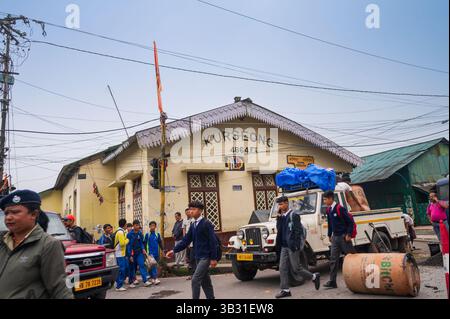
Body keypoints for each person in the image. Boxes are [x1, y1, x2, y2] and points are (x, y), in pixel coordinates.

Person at [0, 190, 73, 299]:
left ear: (34, 214)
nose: (8, 217)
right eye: (6, 213)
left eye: (15, 212)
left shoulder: (48, 244)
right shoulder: (3, 242)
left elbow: (59, 288)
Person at [166, 201, 218, 299]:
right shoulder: (193, 225)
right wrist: (174, 250)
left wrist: (213, 258)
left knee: (195, 279)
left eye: (193, 209)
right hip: (197, 257)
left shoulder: (206, 224)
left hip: (205, 257)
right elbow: (186, 240)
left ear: (200, 211)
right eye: (190, 209)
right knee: (205, 281)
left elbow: (213, 242)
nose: (191, 211)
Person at [274, 196, 320, 298]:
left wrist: (295, 246)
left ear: (286, 203)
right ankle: (285, 290)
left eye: (281, 204)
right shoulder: (282, 217)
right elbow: (279, 229)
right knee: (282, 268)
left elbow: (298, 232)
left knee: (296, 268)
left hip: (292, 246)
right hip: (284, 246)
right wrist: (278, 215)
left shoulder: (294, 216)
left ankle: (314, 277)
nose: (280, 206)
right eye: (279, 205)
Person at [323, 191, 356, 289]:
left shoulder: (340, 208)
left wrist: (349, 234)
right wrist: (329, 234)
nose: (324, 201)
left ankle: (358, 278)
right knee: (333, 260)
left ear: (330, 198)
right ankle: (332, 281)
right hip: (335, 238)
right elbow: (330, 223)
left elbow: (350, 222)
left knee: (352, 258)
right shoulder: (329, 210)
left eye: (325, 199)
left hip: (343, 237)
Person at [127, 220, 152, 287]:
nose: (137, 226)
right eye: (136, 225)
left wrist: (143, 249)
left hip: (139, 253)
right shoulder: (129, 234)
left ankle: (145, 281)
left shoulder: (140, 233)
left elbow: (141, 242)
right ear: (133, 225)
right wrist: (130, 255)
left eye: (138, 225)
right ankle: (131, 282)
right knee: (132, 268)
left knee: (142, 265)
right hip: (132, 253)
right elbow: (128, 245)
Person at [144, 221, 163, 285]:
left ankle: (152, 278)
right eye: (151, 226)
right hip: (150, 253)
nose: (152, 227)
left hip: (156, 253)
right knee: (153, 265)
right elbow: (144, 243)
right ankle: (155, 278)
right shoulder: (147, 235)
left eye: (153, 226)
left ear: (155, 227)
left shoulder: (157, 234)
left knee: (152, 266)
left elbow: (160, 243)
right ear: (149, 227)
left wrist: (162, 250)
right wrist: (145, 253)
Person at [114, 218, 129, 292]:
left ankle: (118, 283)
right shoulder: (120, 232)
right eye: (126, 224)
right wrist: (127, 240)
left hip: (119, 254)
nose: (127, 226)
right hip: (119, 254)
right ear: (124, 225)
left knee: (122, 269)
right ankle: (119, 286)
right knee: (122, 270)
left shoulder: (120, 231)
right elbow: (122, 244)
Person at [183, 207, 196, 280]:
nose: (188, 213)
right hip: (188, 242)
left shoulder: (194, 220)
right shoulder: (185, 220)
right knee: (189, 259)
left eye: (190, 212)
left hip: (194, 244)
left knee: (193, 259)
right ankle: (191, 274)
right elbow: (184, 230)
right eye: (187, 212)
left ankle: (194, 274)